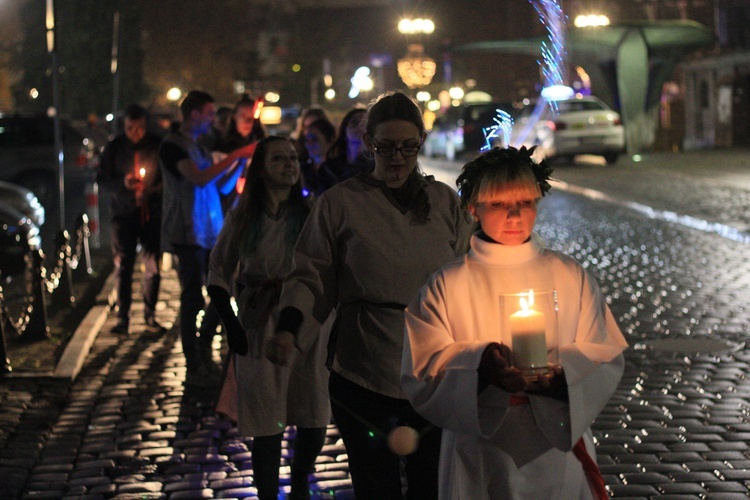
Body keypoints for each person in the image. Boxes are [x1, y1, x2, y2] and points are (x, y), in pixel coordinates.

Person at [266, 91, 474, 499]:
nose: (397, 157)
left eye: (408, 147)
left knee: (430, 484)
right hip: (363, 370)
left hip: (433, 370)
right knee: (374, 483)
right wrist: (289, 329)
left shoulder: (443, 201)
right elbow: (310, 275)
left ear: (420, 142)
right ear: (369, 144)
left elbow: (469, 272)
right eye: (386, 147)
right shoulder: (340, 204)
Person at [401, 146, 628, 499]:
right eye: (498, 204)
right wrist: (482, 366)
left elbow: (604, 352)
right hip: (479, 448)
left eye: (525, 203)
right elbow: (422, 365)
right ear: (473, 208)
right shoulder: (448, 284)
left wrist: (559, 378)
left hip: (555, 443)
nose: (514, 215)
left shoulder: (568, 275)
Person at [207, 136, 328, 500]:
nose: (290, 164)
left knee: (313, 411)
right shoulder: (243, 218)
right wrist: (232, 326)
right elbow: (217, 271)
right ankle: (267, 492)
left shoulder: (312, 215)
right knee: (266, 417)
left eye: (293, 158)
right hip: (259, 321)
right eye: (279, 159)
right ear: (261, 168)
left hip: (308, 322)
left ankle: (301, 478)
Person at [159, 90, 257, 387]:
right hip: (187, 232)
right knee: (192, 299)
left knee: (218, 291)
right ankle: (194, 361)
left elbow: (221, 186)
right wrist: (238, 155)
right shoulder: (173, 147)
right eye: (209, 112)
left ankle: (203, 349)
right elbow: (199, 178)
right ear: (194, 114)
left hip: (208, 231)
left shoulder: (198, 146)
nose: (214, 118)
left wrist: (239, 164)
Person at [98, 104, 165, 335]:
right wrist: (123, 185)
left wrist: (152, 190)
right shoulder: (115, 148)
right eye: (130, 128)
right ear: (124, 127)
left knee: (153, 266)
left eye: (140, 128)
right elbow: (103, 179)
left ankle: (150, 315)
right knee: (124, 266)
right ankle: (123, 317)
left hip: (151, 213)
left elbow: (167, 177)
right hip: (123, 214)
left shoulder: (157, 146)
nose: (135, 132)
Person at [213, 94, 267, 213]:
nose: (248, 121)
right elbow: (224, 188)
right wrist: (241, 159)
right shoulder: (222, 149)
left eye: (252, 117)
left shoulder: (263, 147)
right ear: (234, 117)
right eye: (243, 116)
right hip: (230, 212)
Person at [320, 106, 373, 182]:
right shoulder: (330, 168)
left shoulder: (377, 168)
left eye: (364, 123)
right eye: (354, 122)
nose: (359, 127)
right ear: (345, 129)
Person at [300, 117, 337, 197]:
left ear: (329, 141)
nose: (309, 144)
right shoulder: (304, 169)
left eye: (314, 139)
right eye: (307, 139)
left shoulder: (337, 170)